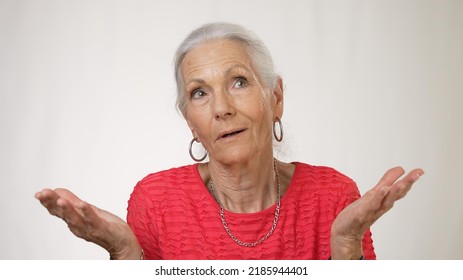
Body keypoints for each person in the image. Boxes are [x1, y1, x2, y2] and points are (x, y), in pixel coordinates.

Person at [35, 22, 424, 260]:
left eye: (238, 82)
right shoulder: (155, 201)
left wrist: (345, 247)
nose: (221, 108)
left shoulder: (334, 195)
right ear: (190, 121)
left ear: (275, 98)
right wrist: (124, 254)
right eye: (199, 93)